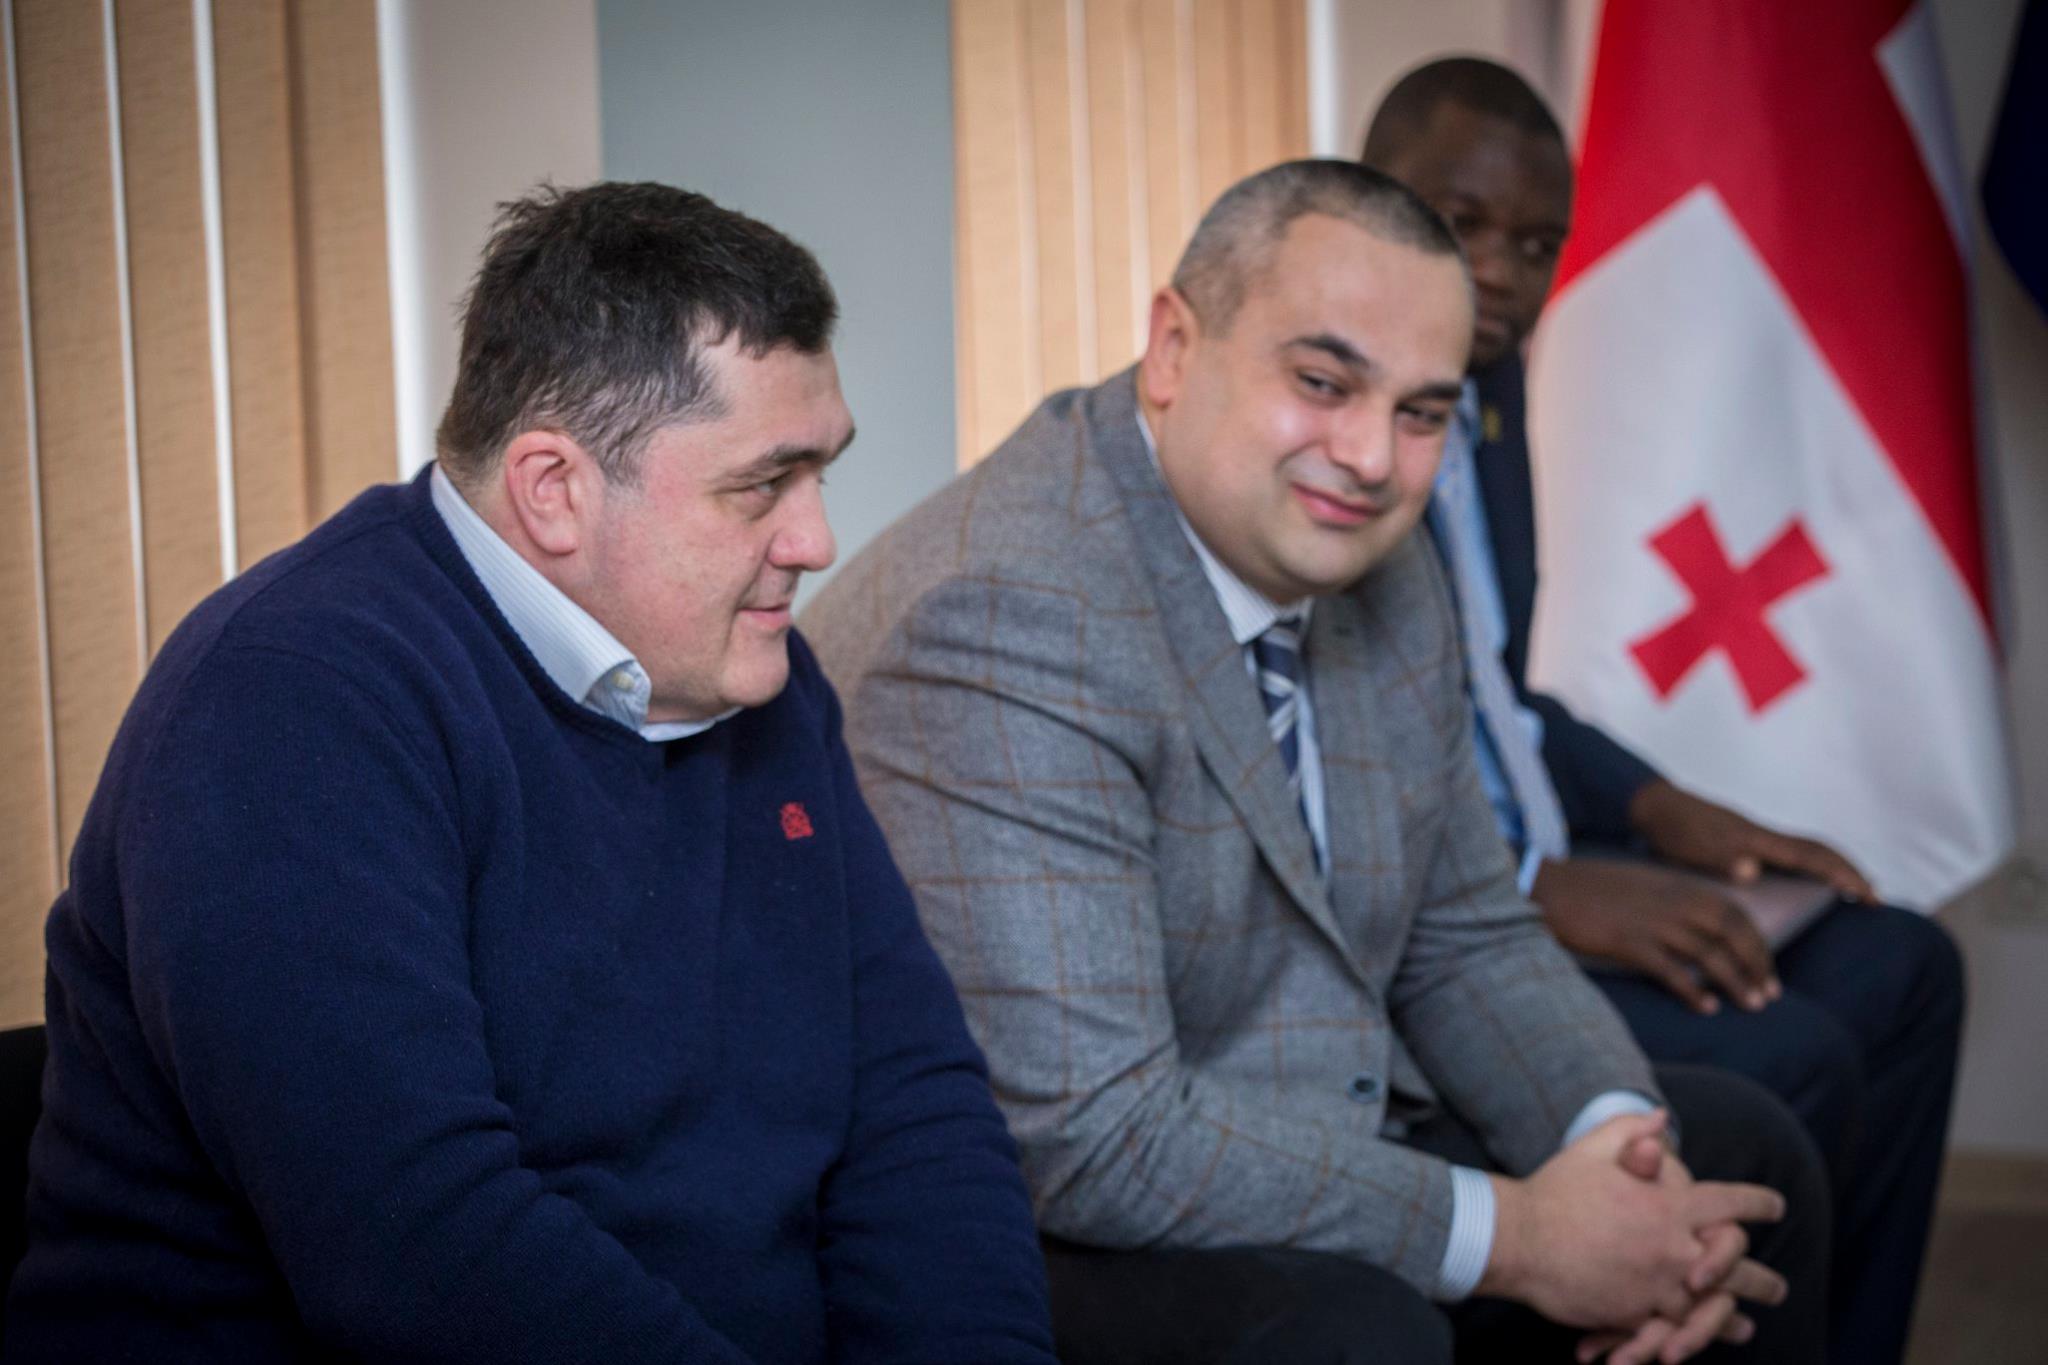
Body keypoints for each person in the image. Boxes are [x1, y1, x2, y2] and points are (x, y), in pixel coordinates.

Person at [3, 183, 1055, 1364]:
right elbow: (416, 1254)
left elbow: (911, 1106)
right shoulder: (288, 703)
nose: (815, 540)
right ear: (554, 491)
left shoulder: (758, 677)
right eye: (762, 486)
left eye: (821, 474)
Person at [803, 159, 1830, 1364]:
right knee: (1360, 1338)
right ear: (1173, 348)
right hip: (1031, 1210)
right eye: (1322, 383)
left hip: (1306, 1111)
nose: (1372, 457)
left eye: (1420, 413)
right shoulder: (1009, 614)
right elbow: (1091, 1136)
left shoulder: (1376, 556)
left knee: (1732, 1169)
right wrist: (1523, 1238)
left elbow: (1463, 932)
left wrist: (1621, 1164)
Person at [1360, 57, 1965, 1365]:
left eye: (1537, 244)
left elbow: (1494, 693)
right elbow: (1325, 770)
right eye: (1461, 223)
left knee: (1904, 967)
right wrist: (1534, 887)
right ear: (1365, 198)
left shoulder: (1489, 403)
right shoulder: (1328, 442)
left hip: (1545, 856)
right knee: (1791, 1062)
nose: (1499, 272)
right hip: (1444, 924)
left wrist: (1658, 805)